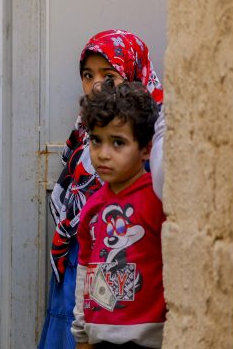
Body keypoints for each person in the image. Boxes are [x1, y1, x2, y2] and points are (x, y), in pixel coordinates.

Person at [40, 30, 164, 349]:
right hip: (85, 268)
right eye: (87, 74)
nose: (96, 85)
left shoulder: (154, 170)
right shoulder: (83, 135)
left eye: (109, 75)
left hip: (137, 312)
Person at [71, 80, 166, 349]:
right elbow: (85, 273)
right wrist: (81, 333)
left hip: (149, 340)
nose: (103, 154)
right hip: (100, 339)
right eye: (96, 141)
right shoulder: (93, 207)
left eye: (118, 143)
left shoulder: (156, 200)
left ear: (146, 149)